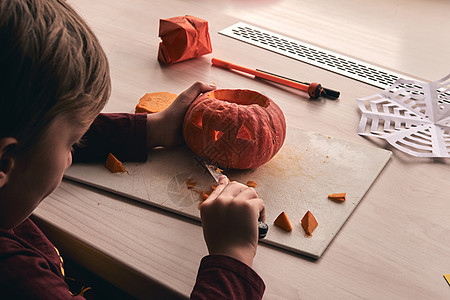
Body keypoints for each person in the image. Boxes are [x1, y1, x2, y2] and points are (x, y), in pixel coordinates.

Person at [0, 0, 266, 299]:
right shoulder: (20, 280)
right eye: (71, 143)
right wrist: (232, 257)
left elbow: (41, 131)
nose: (73, 153)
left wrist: (154, 128)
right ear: (5, 165)